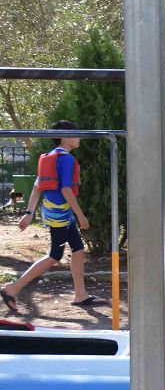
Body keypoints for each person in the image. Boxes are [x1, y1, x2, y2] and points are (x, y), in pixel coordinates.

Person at [1, 121, 107, 312]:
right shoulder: (66, 159)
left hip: (55, 210)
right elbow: (66, 189)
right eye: (76, 134)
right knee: (54, 255)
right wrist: (81, 215)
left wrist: (29, 213)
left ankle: (80, 294)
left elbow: (36, 187)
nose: (79, 138)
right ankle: (13, 288)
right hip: (60, 212)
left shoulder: (49, 156)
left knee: (78, 249)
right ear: (64, 136)